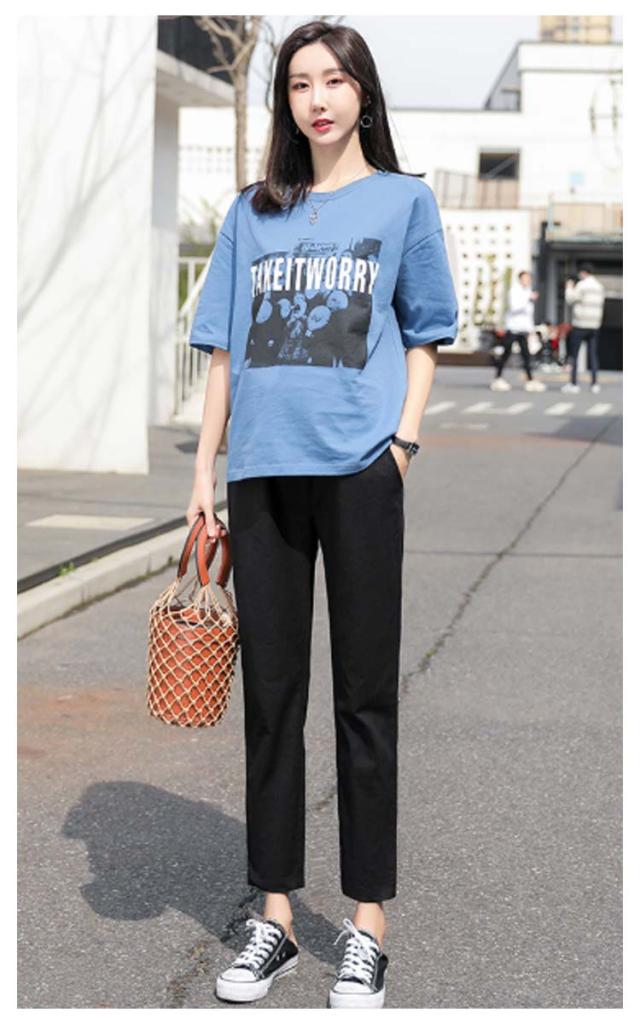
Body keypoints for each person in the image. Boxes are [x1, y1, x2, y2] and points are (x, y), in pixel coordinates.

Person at [185, 19, 458, 1010]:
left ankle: (368, 924)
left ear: (362, 94)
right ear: (285, 103)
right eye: (300, 83)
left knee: (365, 696)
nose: (317, 99)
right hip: (263, 475)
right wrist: (204, 474)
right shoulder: (251, 211)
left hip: (359, 473)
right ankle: (276, 916)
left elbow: (425, 331)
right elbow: (224, 351)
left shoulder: (403, 202)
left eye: (334, 81)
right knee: (272, 698)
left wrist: (402, 445)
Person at [490, 270, 546, 392]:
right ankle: (498, 378)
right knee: (506, 353)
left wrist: (531, 330)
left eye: (529, 278)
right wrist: (528, 298)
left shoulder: (528, 291)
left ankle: (530, 380)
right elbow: (514, 307)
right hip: (513, 328)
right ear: (520, 279)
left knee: (526, 355)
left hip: (523, 329)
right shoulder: (514, 291)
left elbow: (529, 314)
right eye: (525, 278)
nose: (527, 281)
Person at [561, 262, 605, 394]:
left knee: (574, 355)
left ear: (583, 272)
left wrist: (569, 288)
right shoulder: (599, 286)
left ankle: (573, 383)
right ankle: (594, 384)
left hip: (580, 324)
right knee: (593, 355)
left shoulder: (582, 285)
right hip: (594, 325)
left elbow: (570, 299)